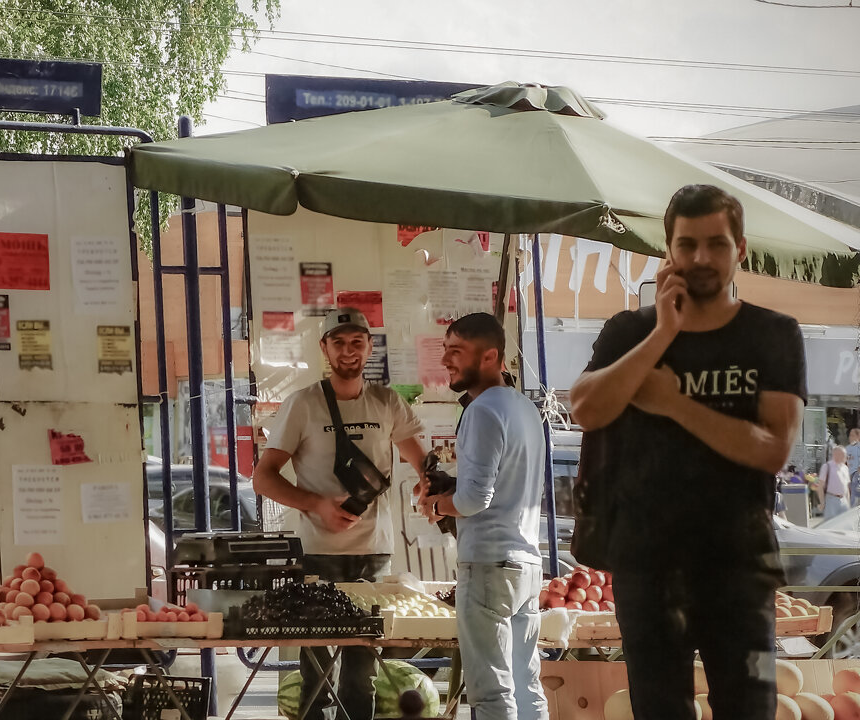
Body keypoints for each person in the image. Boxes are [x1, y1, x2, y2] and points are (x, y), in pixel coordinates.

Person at [570, 184, 806, 720]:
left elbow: (773, 449)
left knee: (749, 710)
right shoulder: (629, 331)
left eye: (717, 244)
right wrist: (663, 332)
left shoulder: (772, 334)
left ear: (740, 248)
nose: (702, 258)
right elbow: (586, 409)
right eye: (688, 245)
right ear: (668, 251)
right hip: (645, 564)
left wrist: (675, 403)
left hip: (738, 567)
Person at [254, 308, 427, 720]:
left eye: (356, 342)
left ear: (369, 346)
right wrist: (315, 504)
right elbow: (263, 478)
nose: (348, 351)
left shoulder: (387, 402)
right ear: (324, 348)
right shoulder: (303, 404)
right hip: (317, 553)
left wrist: (429, 483)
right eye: (338, 342)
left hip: (373, 552)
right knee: (315, 666)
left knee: (361, 668)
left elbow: (423, 462)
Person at [420, 313, 548, 720]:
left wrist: (435, 505)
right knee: (526, 686)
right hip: (527, 565)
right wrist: (450, 487)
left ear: (490, 356)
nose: (446, 361)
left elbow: (475, 499)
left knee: (492, 695)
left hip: (489, 565)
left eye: (456, 351)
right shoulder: (525, 408)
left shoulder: (481, 410)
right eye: (445, 350)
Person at [820, 445, 851, 520]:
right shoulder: (827, 466)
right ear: (836, 455)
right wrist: (822, 502)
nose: (846, 457)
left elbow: (846, 487)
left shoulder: (845, 468)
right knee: (831, 524)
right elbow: (820, 486)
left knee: (845, 523)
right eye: (844, 455)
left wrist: (848, 503)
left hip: (843, 500)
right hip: (831, 499)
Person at [847, 428, 860, 508]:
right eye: (850, 435)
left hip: (857, 475)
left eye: (852, 435)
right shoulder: (847, 448)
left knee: (855, 499)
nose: (850, 437)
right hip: (849, 476)